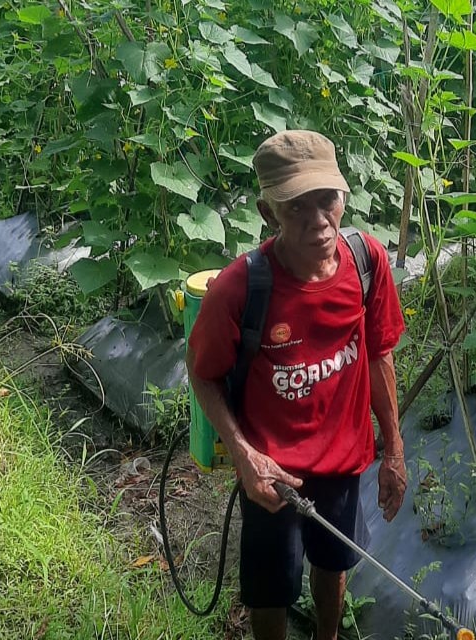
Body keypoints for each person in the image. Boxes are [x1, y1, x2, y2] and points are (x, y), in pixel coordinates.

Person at [186, 130, 407, 640]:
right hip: (272, 475)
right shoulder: (241, 288)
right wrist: (243, 454)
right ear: (268, 213)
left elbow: (378, 355)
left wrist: (393, 449)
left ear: (344, 195)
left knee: (334, 566)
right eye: (295, 207)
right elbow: (204, 374)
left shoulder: (366, 262)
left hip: (344, 464)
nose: (317, 221)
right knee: (271, 591)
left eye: (326, 199)